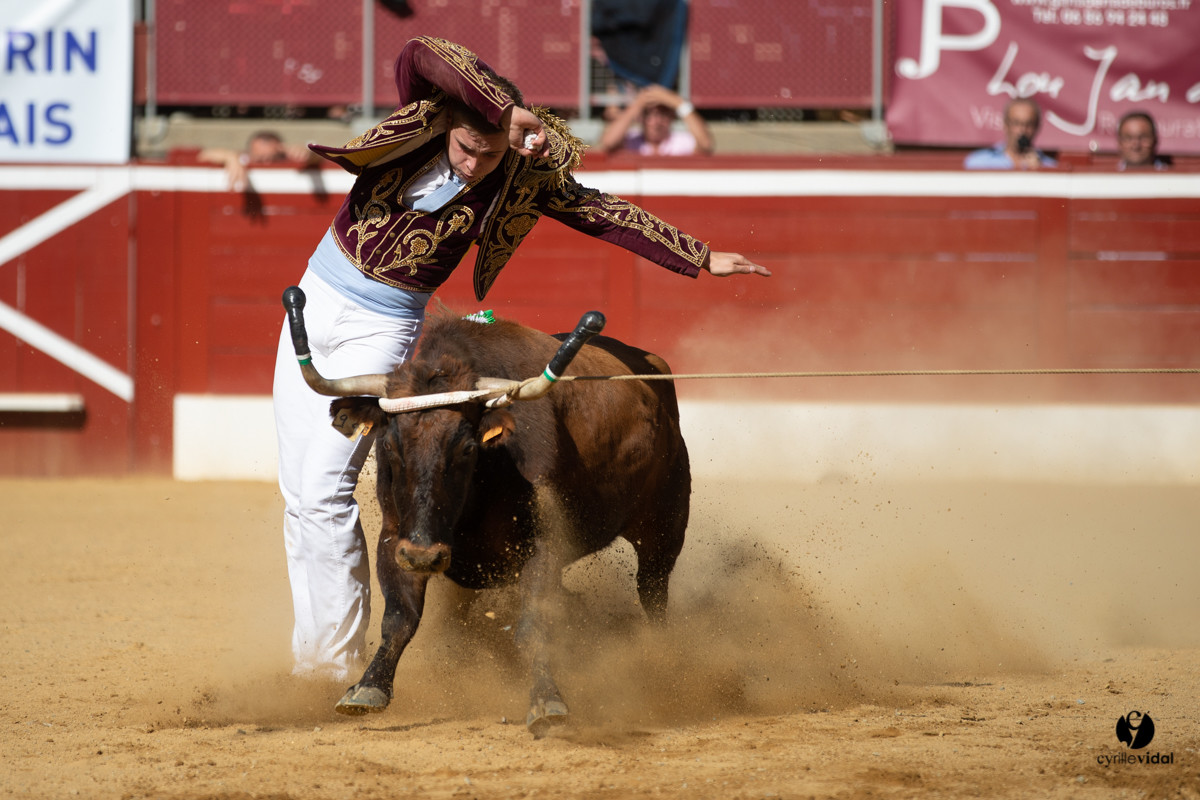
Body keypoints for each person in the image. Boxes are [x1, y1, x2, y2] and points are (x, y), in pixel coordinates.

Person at [272, 36, 769, 682]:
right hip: (312, 296)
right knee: (298, 497)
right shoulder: (422, 120)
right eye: (467, 147)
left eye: (489, 153)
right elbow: (420, 51)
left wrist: (699, 256)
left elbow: (599, 212)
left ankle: (332, 668)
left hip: (384, 327)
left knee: (327, 492)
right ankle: (309, 655)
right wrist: (502, 112)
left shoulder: (516, 175)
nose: (475, 163)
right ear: (451, 123)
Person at [599, 84, 714, 156]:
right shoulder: (631, 140)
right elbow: (608, 143)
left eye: (663, 115)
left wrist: (678, 103)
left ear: (671, 117)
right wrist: (637, 104)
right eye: (649, 115)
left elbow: (706, 145)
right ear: (641, 118)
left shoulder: (681, 141)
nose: (657, 122)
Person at [199, 130, 320, 192]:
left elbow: (318, 158)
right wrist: (230, 157)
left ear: (281, 151)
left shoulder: (289, 157)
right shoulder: (240, 158)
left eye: (271, 158)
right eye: (259, 159)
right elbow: (203, 155)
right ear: (249, 153)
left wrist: (309, 152)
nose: (265, 163)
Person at [964, 98, 1056, 170]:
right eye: (1016, 123)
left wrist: (1039, 171)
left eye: (1028, 124)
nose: (1022, 130)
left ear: (1037, 127)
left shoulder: (1049, 166)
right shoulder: (979, 163)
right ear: (1006, 125)